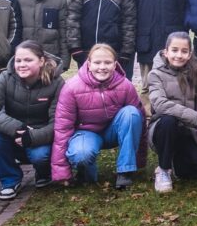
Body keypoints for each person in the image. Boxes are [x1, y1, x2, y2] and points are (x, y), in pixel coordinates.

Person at [50, 43, 146, 189]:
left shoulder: (125, 85)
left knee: (132, 113)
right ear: (88, 64)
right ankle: (85, 172)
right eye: (97, 62)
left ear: (115, 65)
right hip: (86, 132)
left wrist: (139, 159)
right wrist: (62, 171)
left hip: (113, 130)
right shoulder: (71, 87)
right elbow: (63, 128)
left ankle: (125, 171)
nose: (102, 67)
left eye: (107, 62)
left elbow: (140, 122)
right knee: (82, 155)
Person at [0, 41, 65, 199]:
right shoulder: (6, 77)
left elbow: (59, 123)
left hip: (41, 135)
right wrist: (17, 128)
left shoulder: (57, 83)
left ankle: (43, 173)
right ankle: (10, 180)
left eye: (28, 60)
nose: (21, 65)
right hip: (13, 132)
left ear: (41, 61)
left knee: (40, 156)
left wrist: (32, 137)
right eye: (18, 60)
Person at [147, 32, 197, 193]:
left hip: (187, 130)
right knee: (169, 120)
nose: (179, 55)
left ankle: (176, 161)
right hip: (163, 129)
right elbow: (160, 104)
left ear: (190, 54)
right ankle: (163, 169)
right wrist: (196, 118)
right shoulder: (155, 74)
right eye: (174, 50)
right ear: (166, 52)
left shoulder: (194, 73)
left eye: (184, 51)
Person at [17, 0, 70, 71]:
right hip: (25, 59)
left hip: (50, 59)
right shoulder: (19, 0)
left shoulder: (60, 1)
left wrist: (64, 62)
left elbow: (63, 33)